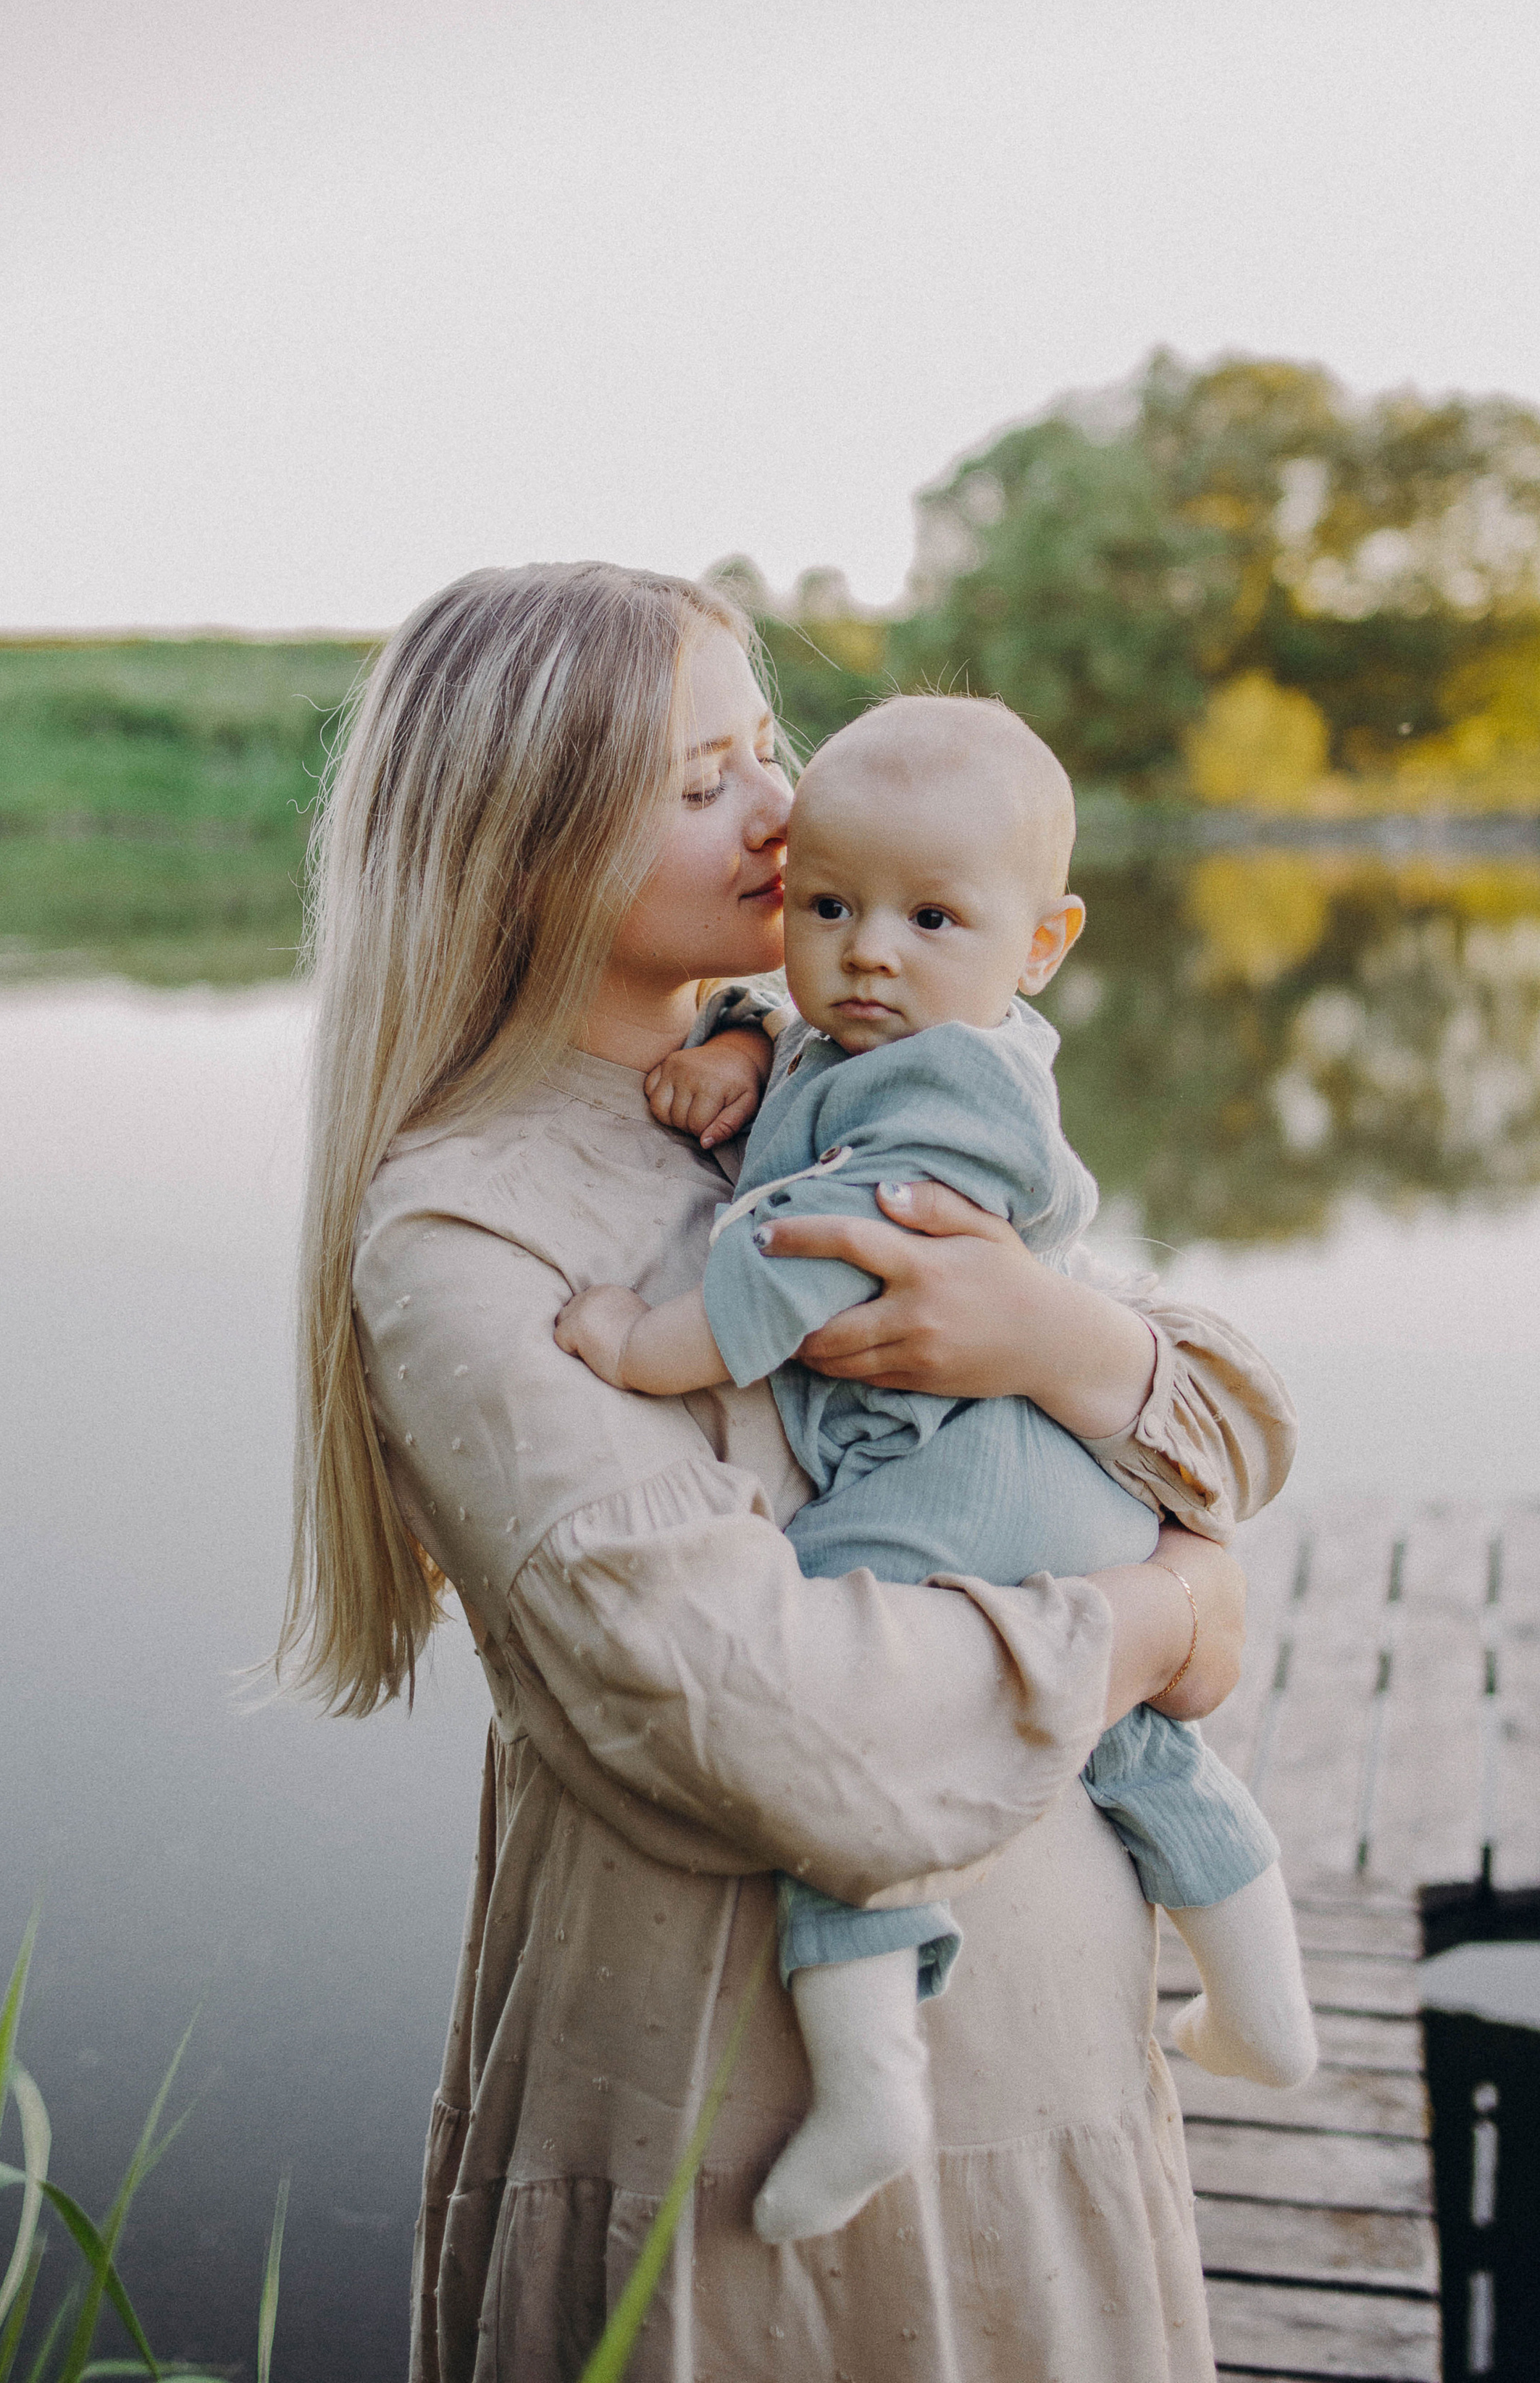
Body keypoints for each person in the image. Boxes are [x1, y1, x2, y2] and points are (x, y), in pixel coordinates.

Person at [283, 560, 1295, 2383]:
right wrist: (1150, 1623)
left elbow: (1231, 1434)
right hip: (728, 2113)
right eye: (699, 782)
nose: (779, 804)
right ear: (526, 855)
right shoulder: (465, 1233)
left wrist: (1049, 1342)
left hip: (1047, 2068)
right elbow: (772, 1719)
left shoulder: (839, 1074)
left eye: (766, 747)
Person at [556, 692, 1315, 2250]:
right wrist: (741, 1039)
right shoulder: (888, 1040)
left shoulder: (961, 1088)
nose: (866, 952)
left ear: (1041, 942)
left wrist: (644, 1346)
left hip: (953, 1472)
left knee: (848, 1709)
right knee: (1131, 1753)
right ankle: (1263, 2009)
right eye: (827, 907)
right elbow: (824, 1070)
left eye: (925, 916)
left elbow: (809, 1248)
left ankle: (866, 2066)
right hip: (1036, 1471)